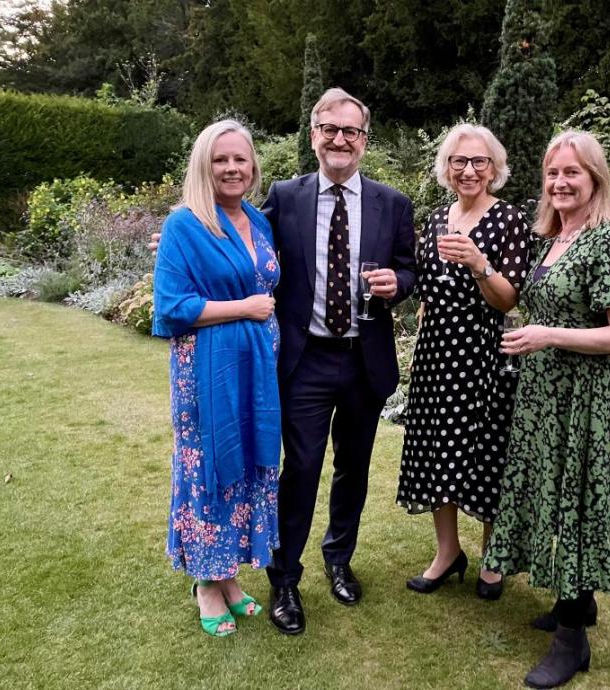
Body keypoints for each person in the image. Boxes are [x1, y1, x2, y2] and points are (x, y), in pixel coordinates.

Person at [483, 130, 610, 689]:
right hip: (542, 393)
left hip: (581, 400)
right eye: (553, 174)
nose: (560, 183)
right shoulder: (554, 236)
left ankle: (572, 638)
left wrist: (548, 334)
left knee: (574, 500)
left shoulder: (609, 241)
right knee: (549, 495)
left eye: (572, 173)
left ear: (595, 178)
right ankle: (575, 602)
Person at [262, 88, 416, 634]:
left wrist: (397, 282)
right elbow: (248, 248)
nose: (340, 139)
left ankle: (338, 557)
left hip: (363, 360)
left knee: (353, 467)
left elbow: (409, 270)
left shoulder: (392, 204)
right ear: (313, 136)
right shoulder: (285, 196)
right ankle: (284, 579)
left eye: (351, 131)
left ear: (364, 141)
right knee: (300, 468)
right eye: (330, 129)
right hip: (304, 360)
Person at [152, 119, 281, 637]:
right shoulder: (185, 224)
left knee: (247, 463)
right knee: (209, 465)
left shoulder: (257, 220)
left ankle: (228, 576)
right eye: (220, 159)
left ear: (253, 167)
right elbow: (171, 306)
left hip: (256, 369)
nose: (231, 168)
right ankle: (206, 581)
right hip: (205, 370)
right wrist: (243, 308)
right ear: (203, 166)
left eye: (240, 159)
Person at [396, 124, 529, 599]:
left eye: (479, 162)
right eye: (459, 161)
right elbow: (427, 292)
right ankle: (447, 552)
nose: (468, 170)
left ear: (494, 169)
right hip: (437, 352)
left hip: (483, 353)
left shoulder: (510, 219)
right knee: (436, 450)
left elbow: (507, 299)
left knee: (486, 451)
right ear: (446, 168)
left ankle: (493, 558)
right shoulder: (434, 220)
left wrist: (478, 263)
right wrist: (419, 346)